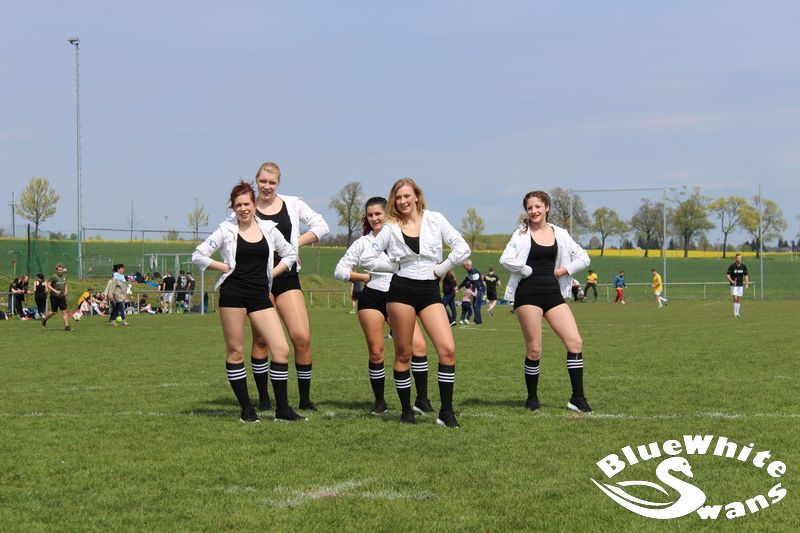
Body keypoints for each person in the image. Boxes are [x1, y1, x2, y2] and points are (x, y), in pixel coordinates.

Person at [363, 178, 470, 428]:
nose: (403, 201)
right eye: (398, 197)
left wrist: (440, 269)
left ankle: (446, 412)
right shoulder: (390, 227)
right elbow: (368, 258)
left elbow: (462, 248)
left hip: (429, 290)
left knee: (447, 350)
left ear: (417, 196)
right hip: (401, 290)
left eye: (407, 196)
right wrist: (393, 266)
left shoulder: (436, 219)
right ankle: (406, 412)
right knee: (404, 353)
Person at [192, 180, 302, 423]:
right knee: (235, 352)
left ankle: (282, 410)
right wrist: (223, 267)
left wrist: (272, 273)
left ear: (254, 205)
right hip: (233, 295)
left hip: (260, 295)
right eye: (237, 205)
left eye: (246, 204)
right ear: (233, 207)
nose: (242, 209)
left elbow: (290, 253)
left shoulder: (268, 228)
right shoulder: (225, 230)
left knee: (281, 349)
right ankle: (247, 410)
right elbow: (198, 255)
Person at [334, 196, 431, 416]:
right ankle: (379, 402)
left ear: (387, 214)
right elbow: (339, 270)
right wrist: (362, 277)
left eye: (378, 213)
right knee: (377, 352)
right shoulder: (362, 243)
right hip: (372, 300)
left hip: (400, 298)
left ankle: (422, 400)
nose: (374, 218)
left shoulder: (401, 237)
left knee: (419, 347)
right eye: (370, 215)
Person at [500, 190, 593, 413]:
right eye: (529, 208)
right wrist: (526, 270)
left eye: (537, 207)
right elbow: (506, 259)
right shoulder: (521, 234)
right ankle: (532, 398)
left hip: (553, 293)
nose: (533, 211)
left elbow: (584, 258)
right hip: (528, 294)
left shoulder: (560, 233)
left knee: (575, 342)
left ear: (547, 207)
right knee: (534, 350)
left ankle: (577, 398)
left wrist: (563, 270)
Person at [248, 161, 330, 411]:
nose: (267, 186)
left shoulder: (292, 203)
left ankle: (305, 400)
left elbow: (322, 227)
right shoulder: (247, 206)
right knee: (262, 340)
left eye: (272, 182)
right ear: (256, 180)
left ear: (278, 183)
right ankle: (264, 399)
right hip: (258, 281)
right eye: (263, 181)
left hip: (287, 277)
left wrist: (295, 244)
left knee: (301, 338)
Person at [42, 264, 71, 331]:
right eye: (59, 270)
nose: (60, 271)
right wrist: (55, 291)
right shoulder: (53, 277)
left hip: (62, 296)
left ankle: (66, 326)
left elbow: (65, 283)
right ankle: (45, 319)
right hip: (54, 297)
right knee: (54, 312)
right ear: (56, 270)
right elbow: (48, 285)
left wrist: (66, 291)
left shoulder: (65, 276)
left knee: (65, 311)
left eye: (61, 270)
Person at [458, 260, 485, 324]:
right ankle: (477, 320)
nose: (463, 267)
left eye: (464, 265)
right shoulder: (468, 272)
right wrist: (458, 287)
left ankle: (478, 321)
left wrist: (472, 292)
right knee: (474, 305)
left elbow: (475, 283)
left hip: (480, 289)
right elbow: (465, 280)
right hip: (475, 290)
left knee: (476, 305)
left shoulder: (474, 272)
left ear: (468, 265)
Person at [726, 253, 749, 318]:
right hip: (734, 285)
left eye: (740, 258)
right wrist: (732, 281)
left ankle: (737, 313)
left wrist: (747, 284)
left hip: (740, 285)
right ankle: (734, 313)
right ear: (735, 258)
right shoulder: (732, 266)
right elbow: (727, 275)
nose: (739, 259)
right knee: (735, 298)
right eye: (738, 258)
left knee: (739, 299)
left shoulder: (743, 266)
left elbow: (746, 275)